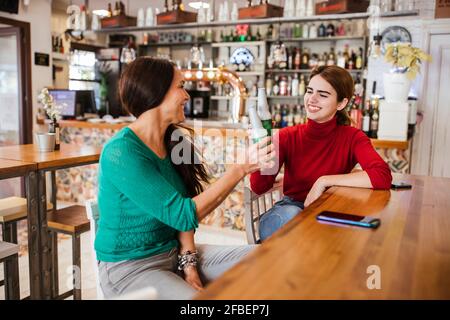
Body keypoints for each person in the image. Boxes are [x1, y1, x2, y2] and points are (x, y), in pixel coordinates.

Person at [95, 57, 274, 299]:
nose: (187, 96)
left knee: (267, 259)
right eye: (180, 86)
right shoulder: (121, 152)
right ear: (155, 93)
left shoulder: (174, 141)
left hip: (174, 253)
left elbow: (183, 219)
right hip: (130, 268)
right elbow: (183, 213)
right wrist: (239, 169)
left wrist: (189, 266)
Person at [250, 65, 392, 241]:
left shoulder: (353, 137)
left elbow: (382, 176)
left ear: (342, 103)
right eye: (310, 91)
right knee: (294, 214)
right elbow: (259, 187)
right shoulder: (286, 136)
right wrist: (262, 150)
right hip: (286, 213)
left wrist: (324, 181)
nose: (312, 99)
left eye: (323, 95)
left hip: (327, 212)